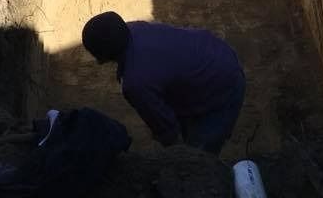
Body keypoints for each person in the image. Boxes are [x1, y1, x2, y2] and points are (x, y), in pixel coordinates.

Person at [82, 12, 245, 154]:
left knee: (197, 157)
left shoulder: (136, 83)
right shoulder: (133, 29)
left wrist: (177, 153)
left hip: (224, 83)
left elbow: (168, 132)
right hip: (213, 51)